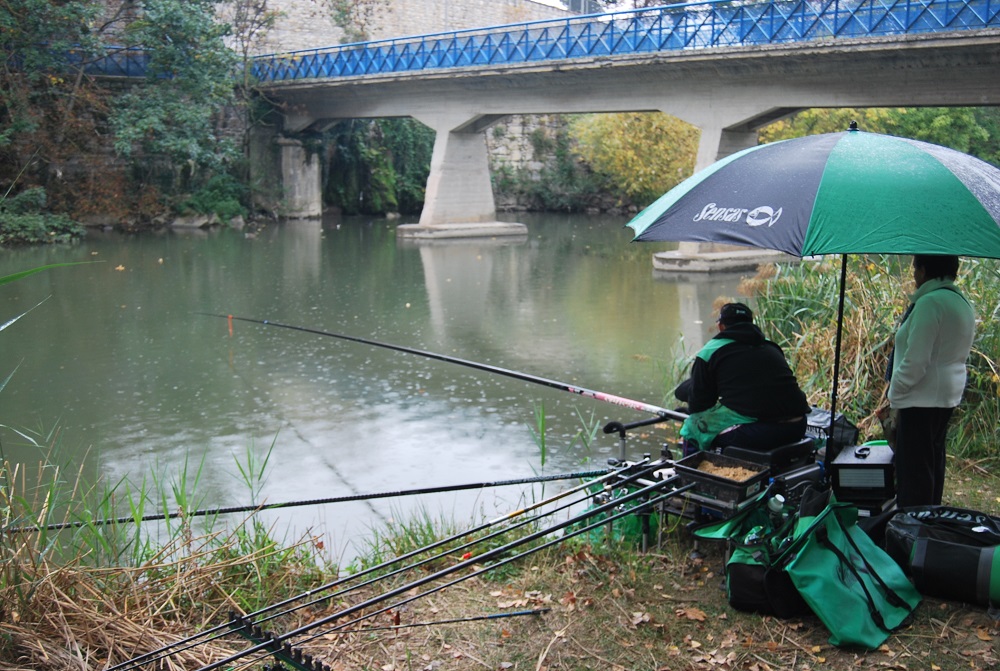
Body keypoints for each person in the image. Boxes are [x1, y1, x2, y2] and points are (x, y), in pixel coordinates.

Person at [887, 255, 975, 508]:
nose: (913, 276)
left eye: (915, 269)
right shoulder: (960, 301)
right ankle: (931, 519)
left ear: (924, 270)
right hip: (945, 394)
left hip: (921, 397)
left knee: (914, 470)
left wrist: (896, 392)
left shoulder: (929, 303)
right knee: (932, 462)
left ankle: (912, 525)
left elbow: (916, 361)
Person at [675, 302, 811, 454]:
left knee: (693, 428)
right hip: (798, 427)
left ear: (721, 326)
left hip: (759, 434)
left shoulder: (710, 351)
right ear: (751, 324)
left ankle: (690, 475)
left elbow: (698, 405)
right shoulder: (771, 347)